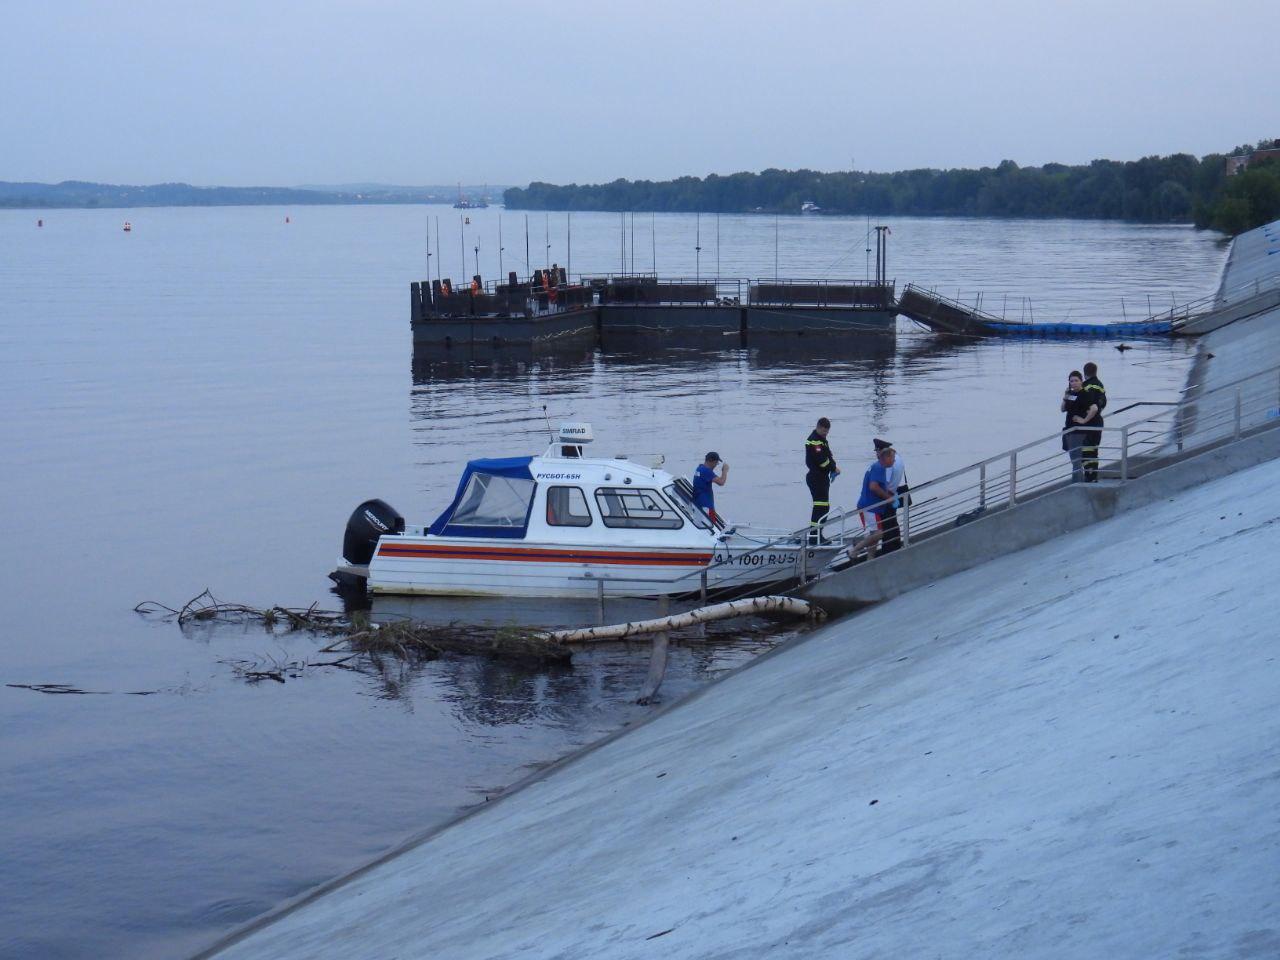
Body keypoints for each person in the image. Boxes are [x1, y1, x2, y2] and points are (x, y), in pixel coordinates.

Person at [851, 443, 897, 559]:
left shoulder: (878, 467)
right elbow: (873, 487)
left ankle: (870, 559)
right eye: (892, 458)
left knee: (874, 537)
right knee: (878, 534)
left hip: (871, 506)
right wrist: (888, 498)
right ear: (886, 458)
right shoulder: (879, 468)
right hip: (870, 507)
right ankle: (855, 549)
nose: (894, 461)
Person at [804, 418, 840, 543]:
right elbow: (822, 461)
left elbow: (829, 456)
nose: (825, 434)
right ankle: (814, 536)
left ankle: (817, 534)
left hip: (822, 477)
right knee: (820, 507)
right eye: (824, 431)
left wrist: (834, 466)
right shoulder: (814, 441)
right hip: (816, 477)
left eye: (827, 432)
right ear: (818, 427)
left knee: (824, 507)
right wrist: (833, 468)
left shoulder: (822, 440)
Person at [1061, 370, 1100, 483]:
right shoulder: (1071, 395)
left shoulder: (1085, 394)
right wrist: (1065, 397)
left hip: (1078, 431)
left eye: (1076, 380)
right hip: (1069, 430)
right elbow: (1063, 409)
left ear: (1081, 381)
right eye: (1071, 381)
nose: (1073, 383)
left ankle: (1076, 483)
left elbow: (1094, 408)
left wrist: (1083, 420)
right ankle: (1078, 481)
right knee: (1074, 460)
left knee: (1076, 460)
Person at [874, 438, 908, 552]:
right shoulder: (898, 458)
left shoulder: (887, 464)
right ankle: (896, 545)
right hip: (896, 493)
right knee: (893, 522)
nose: (876, 455)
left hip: (887, 496)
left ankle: (887, 549)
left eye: (877, 452)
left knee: (886, 525)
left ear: (881, 451)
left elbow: (884, 483)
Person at [1081, 361, 1107, 482]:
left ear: (1084, 373)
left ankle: (1088, 476)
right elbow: (1103, 403)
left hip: (1089, 422)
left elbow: (1089, 404)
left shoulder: (1087, 386)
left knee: (1086, 450)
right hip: (1098, 421)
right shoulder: (1100, 385)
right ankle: (1094, 475)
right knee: (1094, 450)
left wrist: (1083, 419)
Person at [691, 452, 728, 525]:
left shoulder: (699, 468)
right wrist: (725, 471)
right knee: (711, 528)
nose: (716, 466)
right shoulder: (706, 471)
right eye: (716, 463)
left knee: (702, 527)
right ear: (712, 462)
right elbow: (721, 482)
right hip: (706, 506)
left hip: (698, 505)